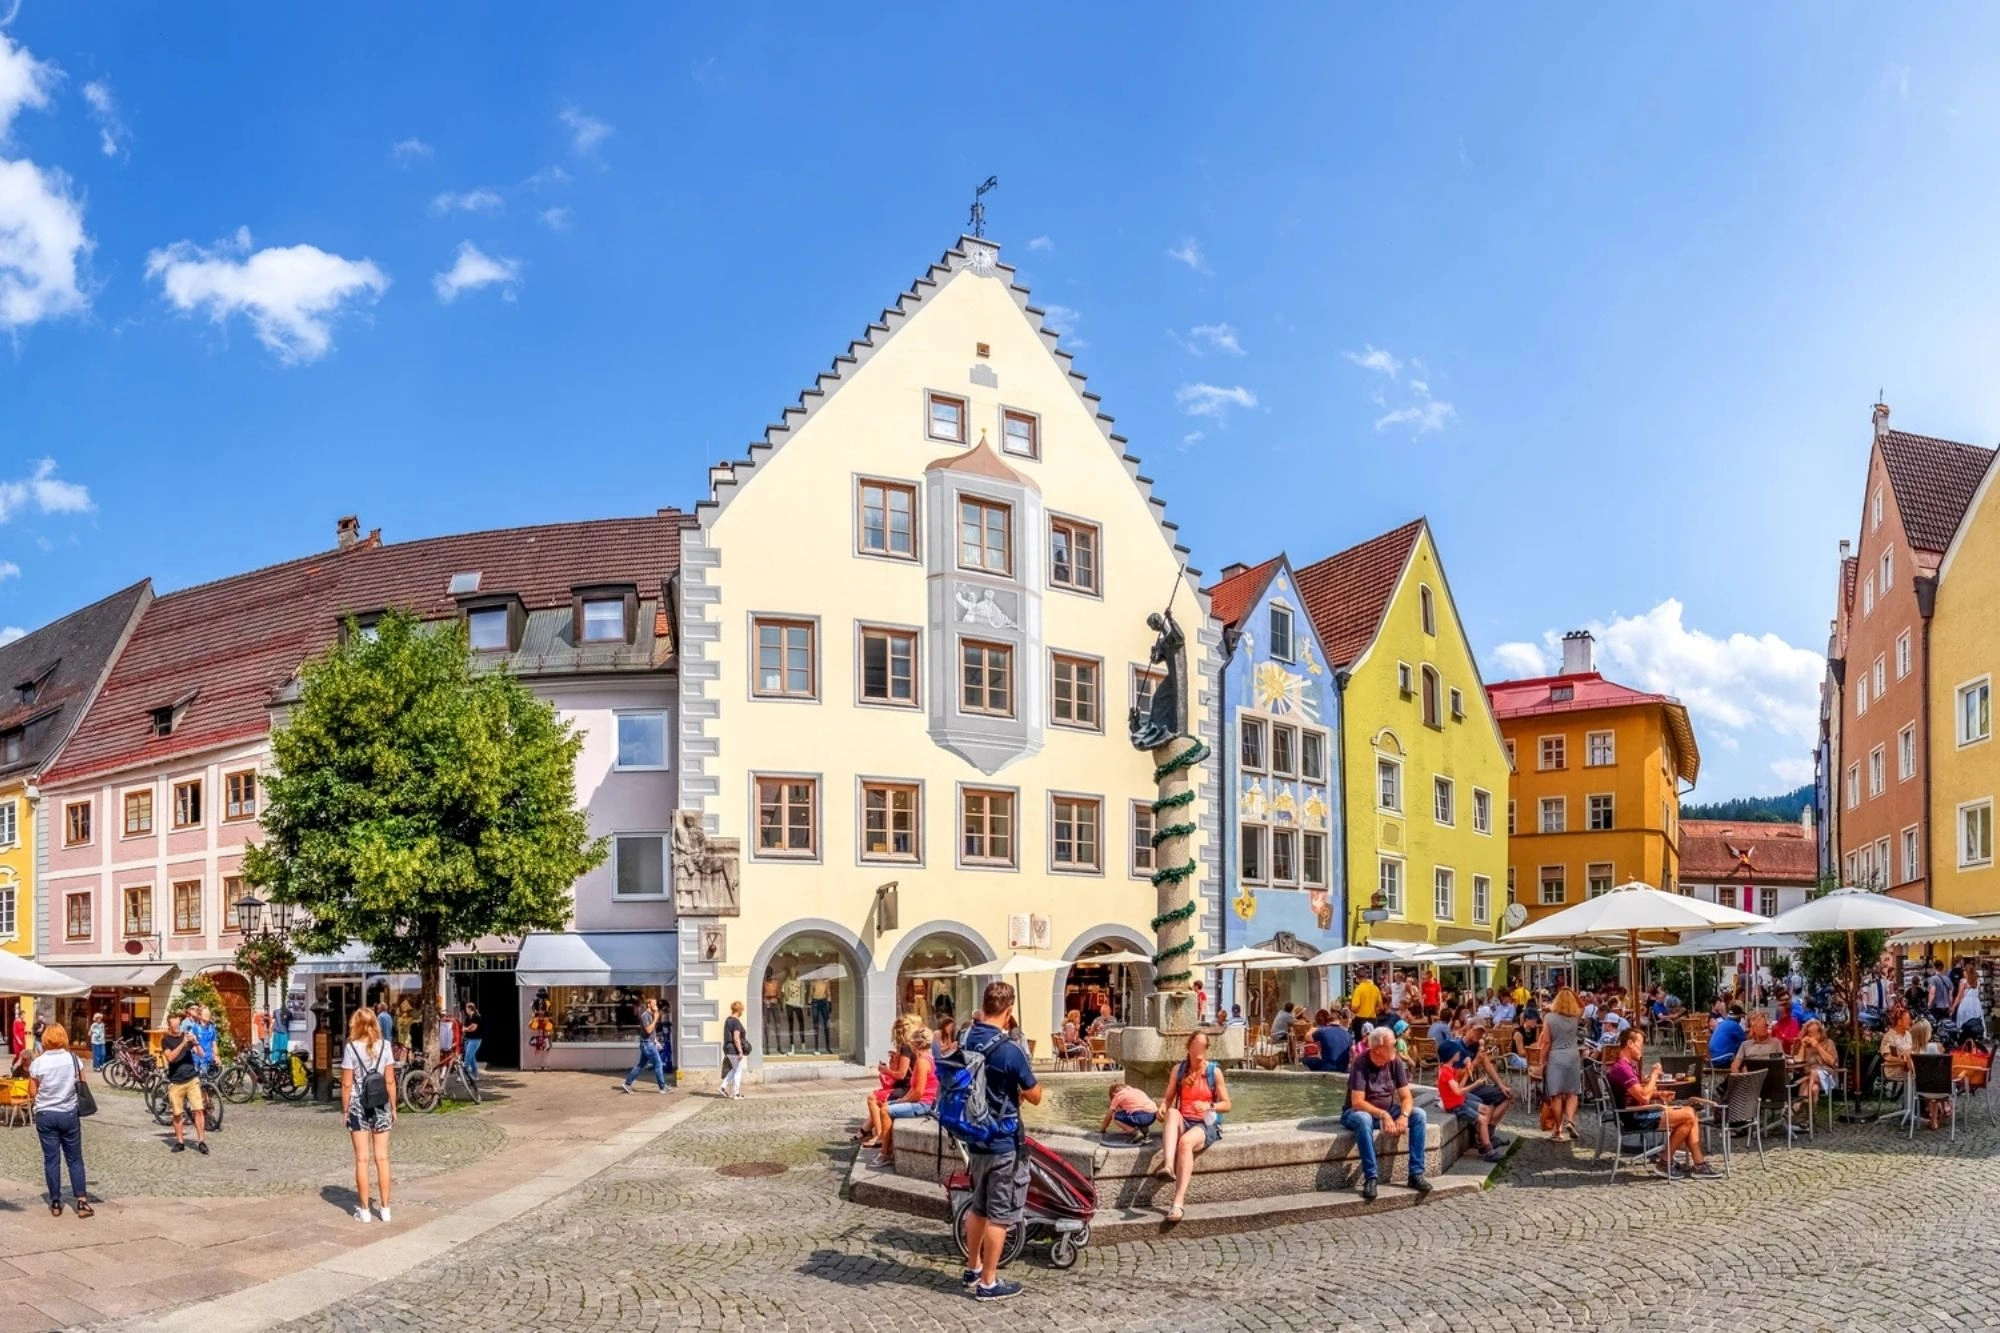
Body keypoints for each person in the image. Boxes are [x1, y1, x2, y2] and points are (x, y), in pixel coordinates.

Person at [955, 981, 1041, 1303]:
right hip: (1004, 1142)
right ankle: (989, 1283)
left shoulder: (966, 1037)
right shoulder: (1009, 1049)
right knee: (1000, 1214)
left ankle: (972, 1266)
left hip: (974, 1136)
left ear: (984, 1005)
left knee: (978, 1205)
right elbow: (1035, 1095)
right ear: (1008, 1011)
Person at [1604, 1028, 1719, 1178]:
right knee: (1689, 1114)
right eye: (1641, 1044)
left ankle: (1697, 1164)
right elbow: (1644, 1097)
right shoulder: (1622, 1069)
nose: (1642, 1048)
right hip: (1634, 1117)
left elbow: (1637, 1093)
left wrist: (1658, 1094)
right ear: (1630, 1044)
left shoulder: (1626, 1066)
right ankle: (1669, 1163)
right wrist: (1654, 1074)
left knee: (1689, 1118)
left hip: (1637, 1112)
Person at [1150, 1030, 1229, 1223]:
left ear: (1206, 1049)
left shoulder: (1213, 1072)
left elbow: (1227, 1104)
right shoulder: (1179, 1070)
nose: (1199, 1049)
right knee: (1172, 1113)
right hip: (1185, 1120)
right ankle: (1169, 1166)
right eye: (1196, 1045)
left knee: (1185, 1143)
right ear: (1189, 1047)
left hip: (1206, 1124)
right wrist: (1162, 1107)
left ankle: (1177, 1203)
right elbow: (1169, 1097)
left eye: (1203, 1046)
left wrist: (1210, 1105)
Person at [1343, 1027, 1430, 1203]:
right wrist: (1383, 1114)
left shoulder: (1395, 1062)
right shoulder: (1360, 1063)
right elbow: (1357, 1103)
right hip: (1357, 1113)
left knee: (1419, 1114)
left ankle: (1415, 1173)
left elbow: (1406, 1097)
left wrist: (1404, 1115)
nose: (1397, 1047)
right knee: (1364, 1119)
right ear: (1377, 1049)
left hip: (1387, 1112)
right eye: (1393, 1044)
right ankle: (1371, 1177)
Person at [27, 1022, 92, 1217]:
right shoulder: (73, 1059)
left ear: (45, 1039)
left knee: (51, 1159)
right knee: (75, 1158)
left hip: (46, 1114)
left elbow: (32, 1091)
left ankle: (55, 1201)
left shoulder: (38, 1063)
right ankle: (81, 1201)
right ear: (63, 1037)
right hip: (69, 1113)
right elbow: (82, 1082)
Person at [340, 1007, 396, 1223]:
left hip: (358, 1105)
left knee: (362, 1159)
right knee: (382, 1157)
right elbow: (390, 1080)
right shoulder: (386, 1046)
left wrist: (345, 1110)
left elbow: (346, 1083)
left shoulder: (351, 1048)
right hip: (380, 1104)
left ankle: (364, 1211)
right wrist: (393, 1107)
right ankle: (385, 1209)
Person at [872, 1021, 937, 1167]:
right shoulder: (929, 1058)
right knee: (886, 1106)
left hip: (924, 1104)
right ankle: (886, 1147)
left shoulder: (922, 1062)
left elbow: (918, 1093)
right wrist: (904, 1099)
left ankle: (885, 1153)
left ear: (915, 1044)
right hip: (926, 1101)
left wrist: (903, 1100)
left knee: (885, 1109)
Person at [1438, 1041, 1507, 1163]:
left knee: (1485, 1109)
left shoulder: (1451, 1070)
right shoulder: (1445, 1073)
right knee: (1482, 1119)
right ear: (1451, 1055)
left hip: (1460, 1101)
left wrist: (1466, 1073)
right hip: (1455, 1106)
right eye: (1456, 1052)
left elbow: (1459, 1087)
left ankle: (1482, 1137)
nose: (1459, 1053)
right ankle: (1488, 1150)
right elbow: (1458, 1091)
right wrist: (1475, 1084)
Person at [860, 1017, 914, 1149]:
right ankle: (876, 1134)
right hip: (904, 1086)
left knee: (872, 1098)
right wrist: (894, 1060)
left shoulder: (906, 1048)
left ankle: (880, 1137)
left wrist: (886, 1070)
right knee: (875, 1097)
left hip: (906, 1088)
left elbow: (901, 1074)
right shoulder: (906, 1047)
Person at [160, 1012, 209, 1155]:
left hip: (191, 1078)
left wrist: (195, 1042)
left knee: (199, 1110)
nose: (178, 1028)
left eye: (179, 1025)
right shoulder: (166, 1041)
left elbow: (201, 1054)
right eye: (175, 1026)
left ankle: (201, 1141)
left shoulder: (186, 1035)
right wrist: (182, 1044)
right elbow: (170, 1058)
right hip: (176, 1081)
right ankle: (180, 1141)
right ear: (169, 1026)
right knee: (177, 1114)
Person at [1540, 987, 1584, 1141]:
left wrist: (1541, 1061)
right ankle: (1570, 1120)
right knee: (1572, 1092)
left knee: (1556, 1095)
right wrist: (1573, 992)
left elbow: (1546, 1042)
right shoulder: (1575, 1017)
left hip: (1556, 1057)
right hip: (1573, 1056)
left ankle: (1558, 1130)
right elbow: (1583, 1005)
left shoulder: (1549, 1018)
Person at [620, 997, 671, 1094]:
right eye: (654, 1004)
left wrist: (656, 1041)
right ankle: (662, 1087)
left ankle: (627, 1084)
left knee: (641, 1065)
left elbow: (650, 1032)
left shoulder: (650, 1015)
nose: (656, 1006)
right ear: (649, 1005)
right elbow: (648, 1030)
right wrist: (656, 1018)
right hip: (648, 1045)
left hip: (648, 1043)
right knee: (658, 1064)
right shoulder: (645, 1015)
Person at [1794, 1019, 1841, 1120]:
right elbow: (1798, 1062)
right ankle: (1810, 1118)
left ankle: (1798, 1104)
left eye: (1814, 1033)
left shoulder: (1829, 1043)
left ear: (1820, 1032)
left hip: (1827, 1076)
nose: (1812, 1036)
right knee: (1814, 1089)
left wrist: (1818, 1047)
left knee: (1814, 1072)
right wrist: (1802, 1046)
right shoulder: (1806, 1045)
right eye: (1809, 1033)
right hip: (1810, 1079)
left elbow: (1832, 1062)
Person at [721, 1000, 750, 1100]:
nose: (742, 1012)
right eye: (742, 1010)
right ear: (739, 1010)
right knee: (738, 1071)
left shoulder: (728, 1020)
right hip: (734, 1049)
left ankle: (723, 1087)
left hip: (728, 1048)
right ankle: (736, 1093)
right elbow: (736, 1037)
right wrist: (740, 1051)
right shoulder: (736, 1021)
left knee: (734, 1069)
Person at [1954, 963, 1986, 1042]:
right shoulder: (1977, 982)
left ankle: (1964, 1039)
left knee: (1964, 1021)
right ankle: (1974, 1038)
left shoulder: (1963, 981)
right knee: (1975, 1021)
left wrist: (1953, 1007)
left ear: (1966, 972)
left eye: (1964, 970)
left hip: (1966, 1003)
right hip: (1975, 1004)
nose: (1963, 972)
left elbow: (1959, 996)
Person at [1350, 971, 1382, 1041]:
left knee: (1360, 1043)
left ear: (1357, 978)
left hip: (1360, 1020)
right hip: (1373, 1019)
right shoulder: (1375, 988)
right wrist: (1374, 1010)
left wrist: (1350, 1008)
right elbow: (1380, 1006)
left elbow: (1355, 1007)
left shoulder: (1358, 989)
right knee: (1372, 1042)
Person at [188, 1006, 219, 1076]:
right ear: (200, 1016)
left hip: (210, 1061)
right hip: (199, 1063)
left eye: (209, 1013)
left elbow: (214, 1044)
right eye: (206, 1014)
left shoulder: (211, 1028)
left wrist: (217, 1056)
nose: (208, 1015)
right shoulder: (195, 1028)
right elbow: (191, 1045)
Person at [458, 1001, 482, 1083]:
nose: (466, 1010)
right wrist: (466, 1028)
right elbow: (464, 1026)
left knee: (467, 1057)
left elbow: (473, 1028)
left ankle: (463, 1075)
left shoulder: (476, 1016)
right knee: (472, 1058)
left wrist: (466, 1029)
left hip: (475, 1040)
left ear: (470, 1008)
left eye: (466, 1008)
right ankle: (475, 1075)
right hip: (468, 1039)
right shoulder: (468, 1018)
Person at [1927, 960, 1953, 1026]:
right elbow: (1950, 995)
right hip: (1946, 1006)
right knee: (1946, 1025)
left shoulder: (1933, 979)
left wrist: (1929, 1004)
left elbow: (1932, 992)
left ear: (1934, 967)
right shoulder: (1947, 979)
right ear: (1942, 967)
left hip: (1936, 1006)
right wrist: (1951, 1006)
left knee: (1936, 1025)